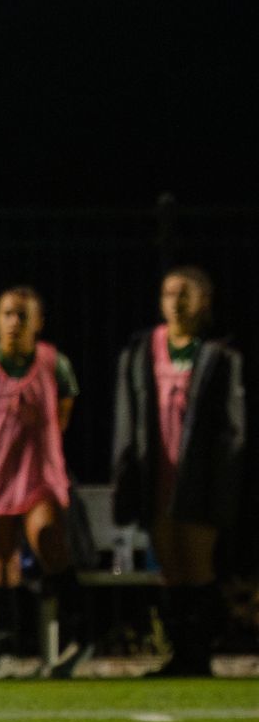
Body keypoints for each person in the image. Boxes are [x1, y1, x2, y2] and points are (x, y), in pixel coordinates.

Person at [112, 265, 245, 679]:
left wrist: (225, 480)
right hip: (157, 477)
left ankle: (199, 654)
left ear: (204, 301)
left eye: (187, 293)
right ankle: (177, 653)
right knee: (169, 566)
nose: (178, 302)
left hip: (198, 480)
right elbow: (127, 419)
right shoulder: (141, 352)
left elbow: (232, 428)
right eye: (170, 293)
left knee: (197, 562)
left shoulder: (219, 355)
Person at [0, 285, 81, 677]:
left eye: (22, 315)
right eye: (7, 314)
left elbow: (65, 408)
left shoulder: (53, 364)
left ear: (38, 322)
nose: (15, 322)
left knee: (48, 538)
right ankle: (8, 651)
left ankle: (79, 636)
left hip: (38, 476)